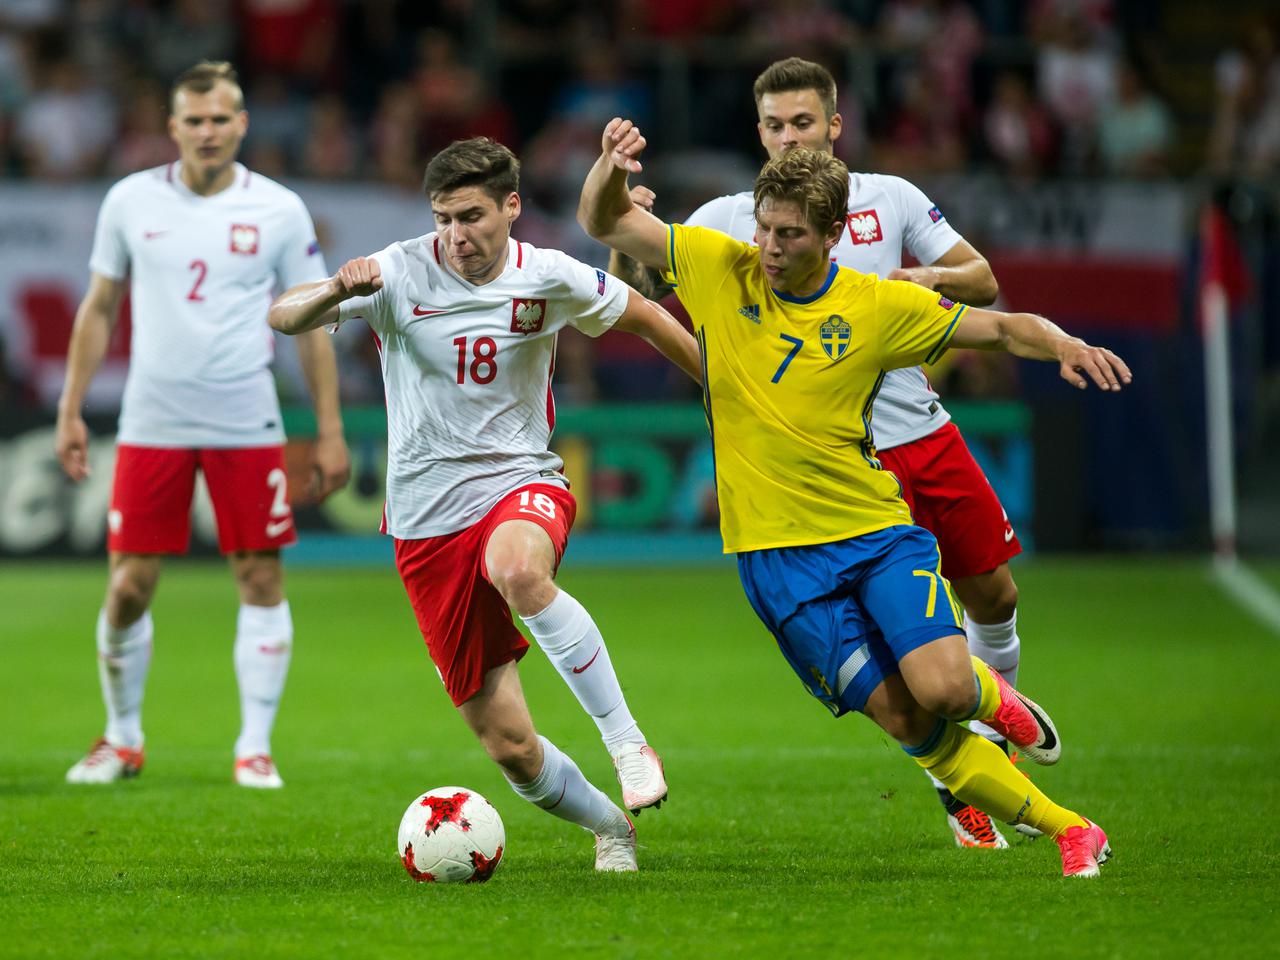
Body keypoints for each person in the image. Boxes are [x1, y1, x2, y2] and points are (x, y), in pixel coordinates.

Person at [581, 118, 1129, 878]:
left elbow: (999, 330)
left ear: (833, 234)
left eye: (793, 235)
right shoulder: (716, 263)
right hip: (776, 566)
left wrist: (1063, 342)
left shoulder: (875, 308)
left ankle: (995, 700)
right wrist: (609, 168)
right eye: (766, 230)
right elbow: (605, 221)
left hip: (872, 533)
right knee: (907, 720)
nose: (771, 249)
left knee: (941, 684)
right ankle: (1073, 828)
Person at [268, 137, 701, 871]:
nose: (456, 235)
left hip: (520, 481)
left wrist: (727, 401)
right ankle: (612, 829)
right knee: (512, 750)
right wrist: (339, 292)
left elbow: (650, 319)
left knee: (520, 570)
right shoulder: (399, 271)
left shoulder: (549, 275)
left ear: (512, 207)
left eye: (471, 216)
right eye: (443, 217)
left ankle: (628, 743)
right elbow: (284, 315)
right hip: (425, 524)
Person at [57, 61, 351, 789]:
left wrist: (331, 427)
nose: (209, 132)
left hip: (246, 417)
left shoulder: (279, 209)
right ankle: (122, 737)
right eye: (195, 120)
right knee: (129, 585)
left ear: (242, 124)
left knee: (258, 575)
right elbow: (98, 307)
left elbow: (312, 324)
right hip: (152, 418)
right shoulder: (128, 201)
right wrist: (70, 406)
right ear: (173, 127)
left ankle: (254, 746)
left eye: (222, 119)